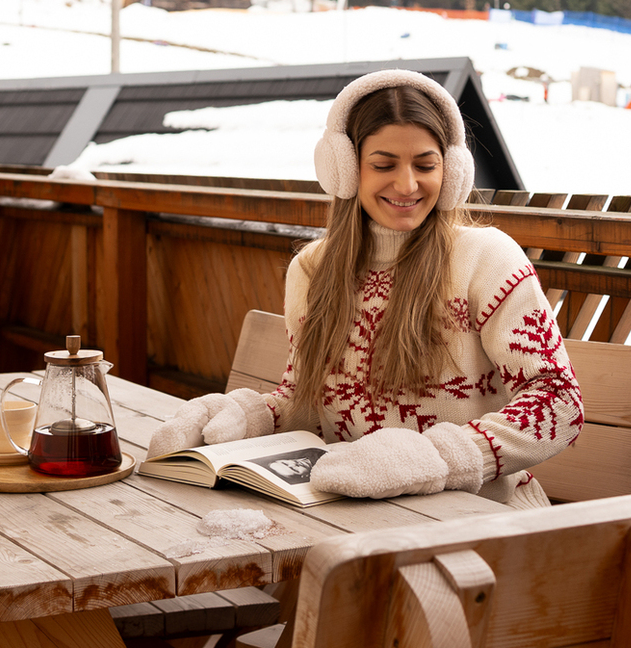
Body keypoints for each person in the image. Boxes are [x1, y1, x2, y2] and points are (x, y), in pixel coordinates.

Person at [148, 69, 583, 509]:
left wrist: (439, 458)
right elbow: (310, 403)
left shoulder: (488, 259)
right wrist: (251, 415)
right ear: (344, 168)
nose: (407, 184)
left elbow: (559, 401)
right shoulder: (312, 270)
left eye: (426, 165)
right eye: (383, 165)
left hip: (483, 514)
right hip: (355, 512)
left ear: (451, 171)